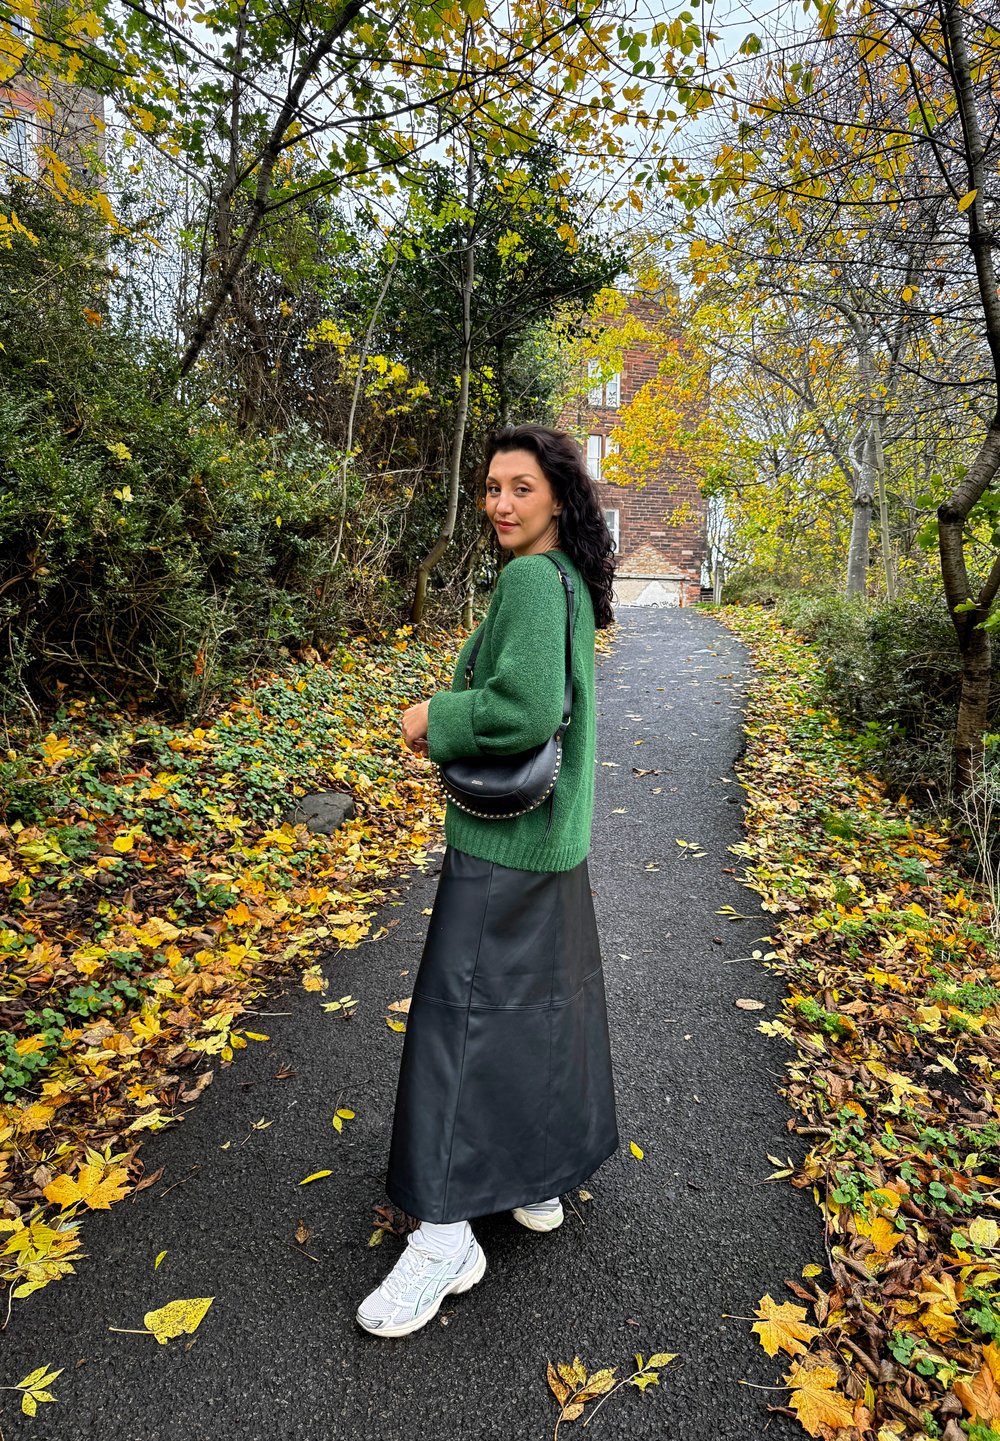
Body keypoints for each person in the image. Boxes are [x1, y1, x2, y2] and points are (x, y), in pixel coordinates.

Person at [356, 423, 619, 1339]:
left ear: (557, 497)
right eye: (492, 488)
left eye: (521, 488)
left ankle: (443, 1233)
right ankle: (536, 1178)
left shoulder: (529, 582)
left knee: (457, 1025)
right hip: (553, 838)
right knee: (540, 1011)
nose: (501, 504)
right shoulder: (568, 581)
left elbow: (528, 707)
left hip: (506, 844)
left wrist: (436, 714)